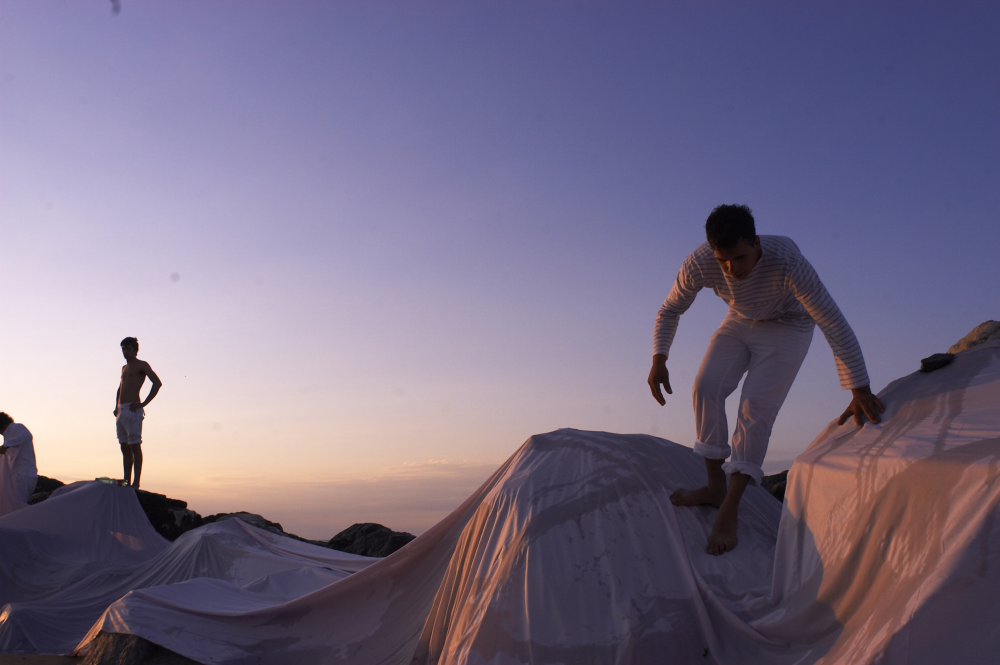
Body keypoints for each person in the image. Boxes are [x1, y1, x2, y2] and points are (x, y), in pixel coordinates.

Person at [647, 204, 884, 555]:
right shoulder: (700, 262)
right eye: (723, 261)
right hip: (740, 320)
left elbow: (831, 319)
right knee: (706, 386)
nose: (732, 269)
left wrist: (859, 387)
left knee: (755, 405)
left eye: (740, 258)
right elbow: (670, 308)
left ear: (756, 243)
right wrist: (659, 358)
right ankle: (715, 487)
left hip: (789, 325)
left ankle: (732, 504)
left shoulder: (787, 261)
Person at [115, 337, 162, 489]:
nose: (125, 352)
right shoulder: (124, 368)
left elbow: (157, 382)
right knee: (124, 446)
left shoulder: (141, 365)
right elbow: (120, 388)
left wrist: (144, 403)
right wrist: (116, 406)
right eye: (123, 349)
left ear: (135, 350)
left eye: (128, 348)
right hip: (121, 410)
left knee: (135, 445)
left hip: (133, 408)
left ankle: (136, 482)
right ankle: (126, 480)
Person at [0, 412, 38, 503]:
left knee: (17, 505)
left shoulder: (16, 427)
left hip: (23, 475)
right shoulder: (9, 434)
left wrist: (6, 445)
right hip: (19, 475)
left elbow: (27, 436)